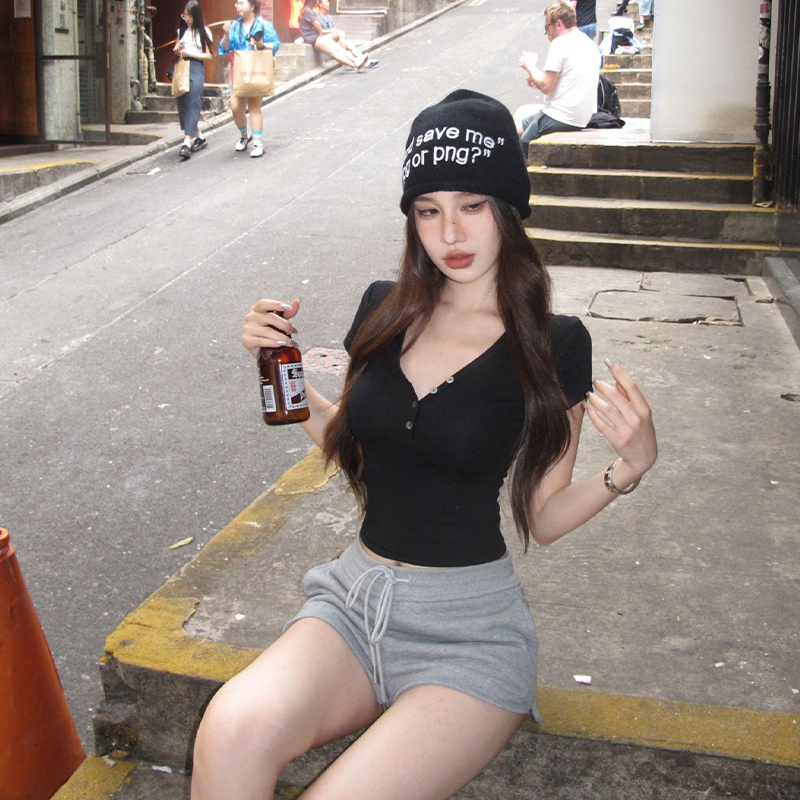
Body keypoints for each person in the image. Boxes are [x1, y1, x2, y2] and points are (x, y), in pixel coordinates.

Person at [190, 89, 657, 800]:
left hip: (467, 634)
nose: (451, 231)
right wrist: (275, 364)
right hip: (351, 604)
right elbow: (348, 438)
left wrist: (631, 466)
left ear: (508, 210)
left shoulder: (554, 342)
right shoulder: (384, 308)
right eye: (429, 209)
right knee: (228, 730)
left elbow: (544, 516)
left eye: (472, 205)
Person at [516, 0, 600, 151]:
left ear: (559, 24)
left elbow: (546, 87)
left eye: (547, 27)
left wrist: (530, 66)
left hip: (561, 116)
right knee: (516, 129)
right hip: (581, 117)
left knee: (524, 142)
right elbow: (566, 80)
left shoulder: (560, 43)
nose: (547, 33)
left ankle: (524, 167)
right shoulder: (590, 44)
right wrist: (537, 78)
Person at [218, 0, 280, 158]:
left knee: (254, 106)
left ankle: (258, 143)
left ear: (252, 6)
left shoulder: (263, 25)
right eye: (236, 3)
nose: (238, 6)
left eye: (241, 3)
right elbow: (224, 48)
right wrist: (226, 34)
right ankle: (244, 135)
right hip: (239, 71)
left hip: (256, 69)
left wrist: (261, 44)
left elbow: (275, 44)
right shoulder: (234, 27)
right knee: (235, 107)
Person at [174, 0, 213, 160]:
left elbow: (209, 55)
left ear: (196, 15)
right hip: (182, 67)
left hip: (196, 68)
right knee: (182, 102)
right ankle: (200, 138)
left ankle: (187, 142)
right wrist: (178, 50)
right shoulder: (182, 31)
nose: (187, 19)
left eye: (189, 15)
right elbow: (176, 51)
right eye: (184, 15)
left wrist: (190, 53)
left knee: (193, 102)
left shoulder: (204, 32)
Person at [298, 0, 377, 71]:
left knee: (336, 50)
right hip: (314, 38)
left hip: (313, 38)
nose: (317, 2)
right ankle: (355, 62)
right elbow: (320, 30)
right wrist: (333, 31)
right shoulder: (309, 12)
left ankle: (356, 64)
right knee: (336, 50)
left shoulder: (307, 11)